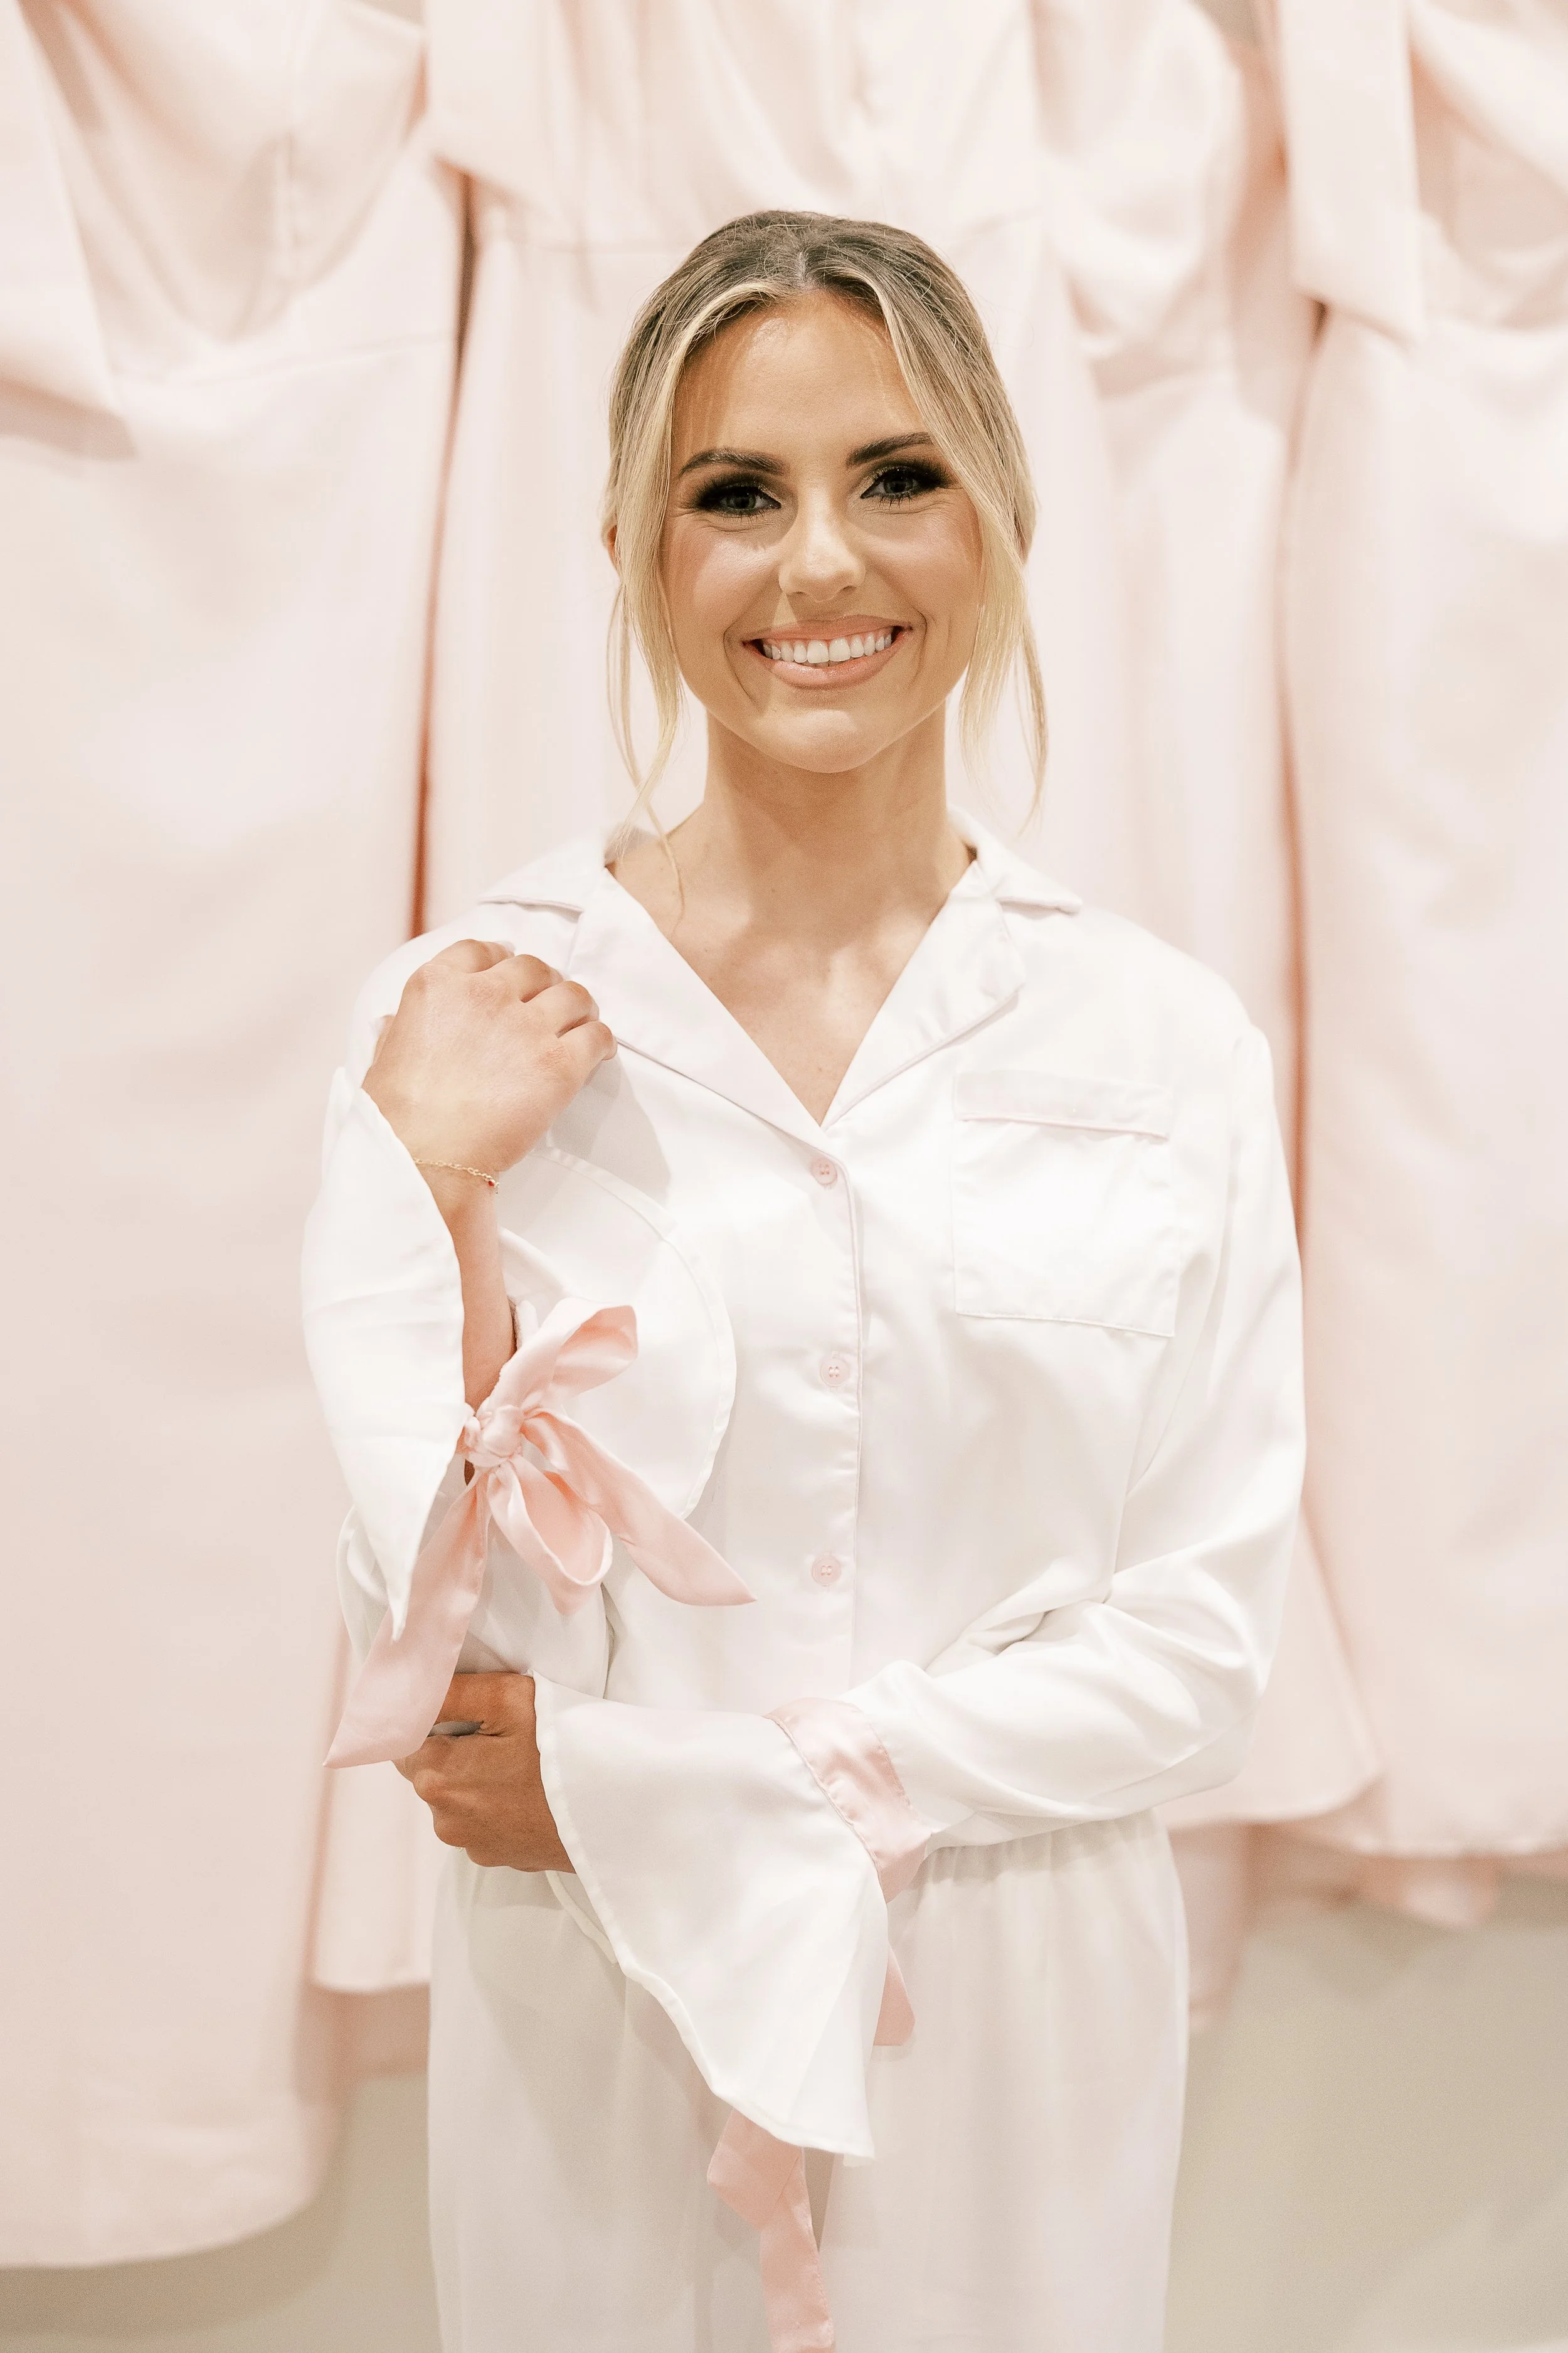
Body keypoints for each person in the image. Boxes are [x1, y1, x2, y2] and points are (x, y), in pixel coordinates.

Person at [302, 211, 1304, 2353]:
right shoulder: (471, 1017)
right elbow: (415, 1639)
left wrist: (716, 1784)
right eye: (735, 493)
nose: (820, 564)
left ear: (1003, 516)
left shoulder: (1155, 1044)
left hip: (1012, 2009)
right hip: (603, 2006)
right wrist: (428, 1178)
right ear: (632, 551)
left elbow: (1206, 1644)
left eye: (898, 476)